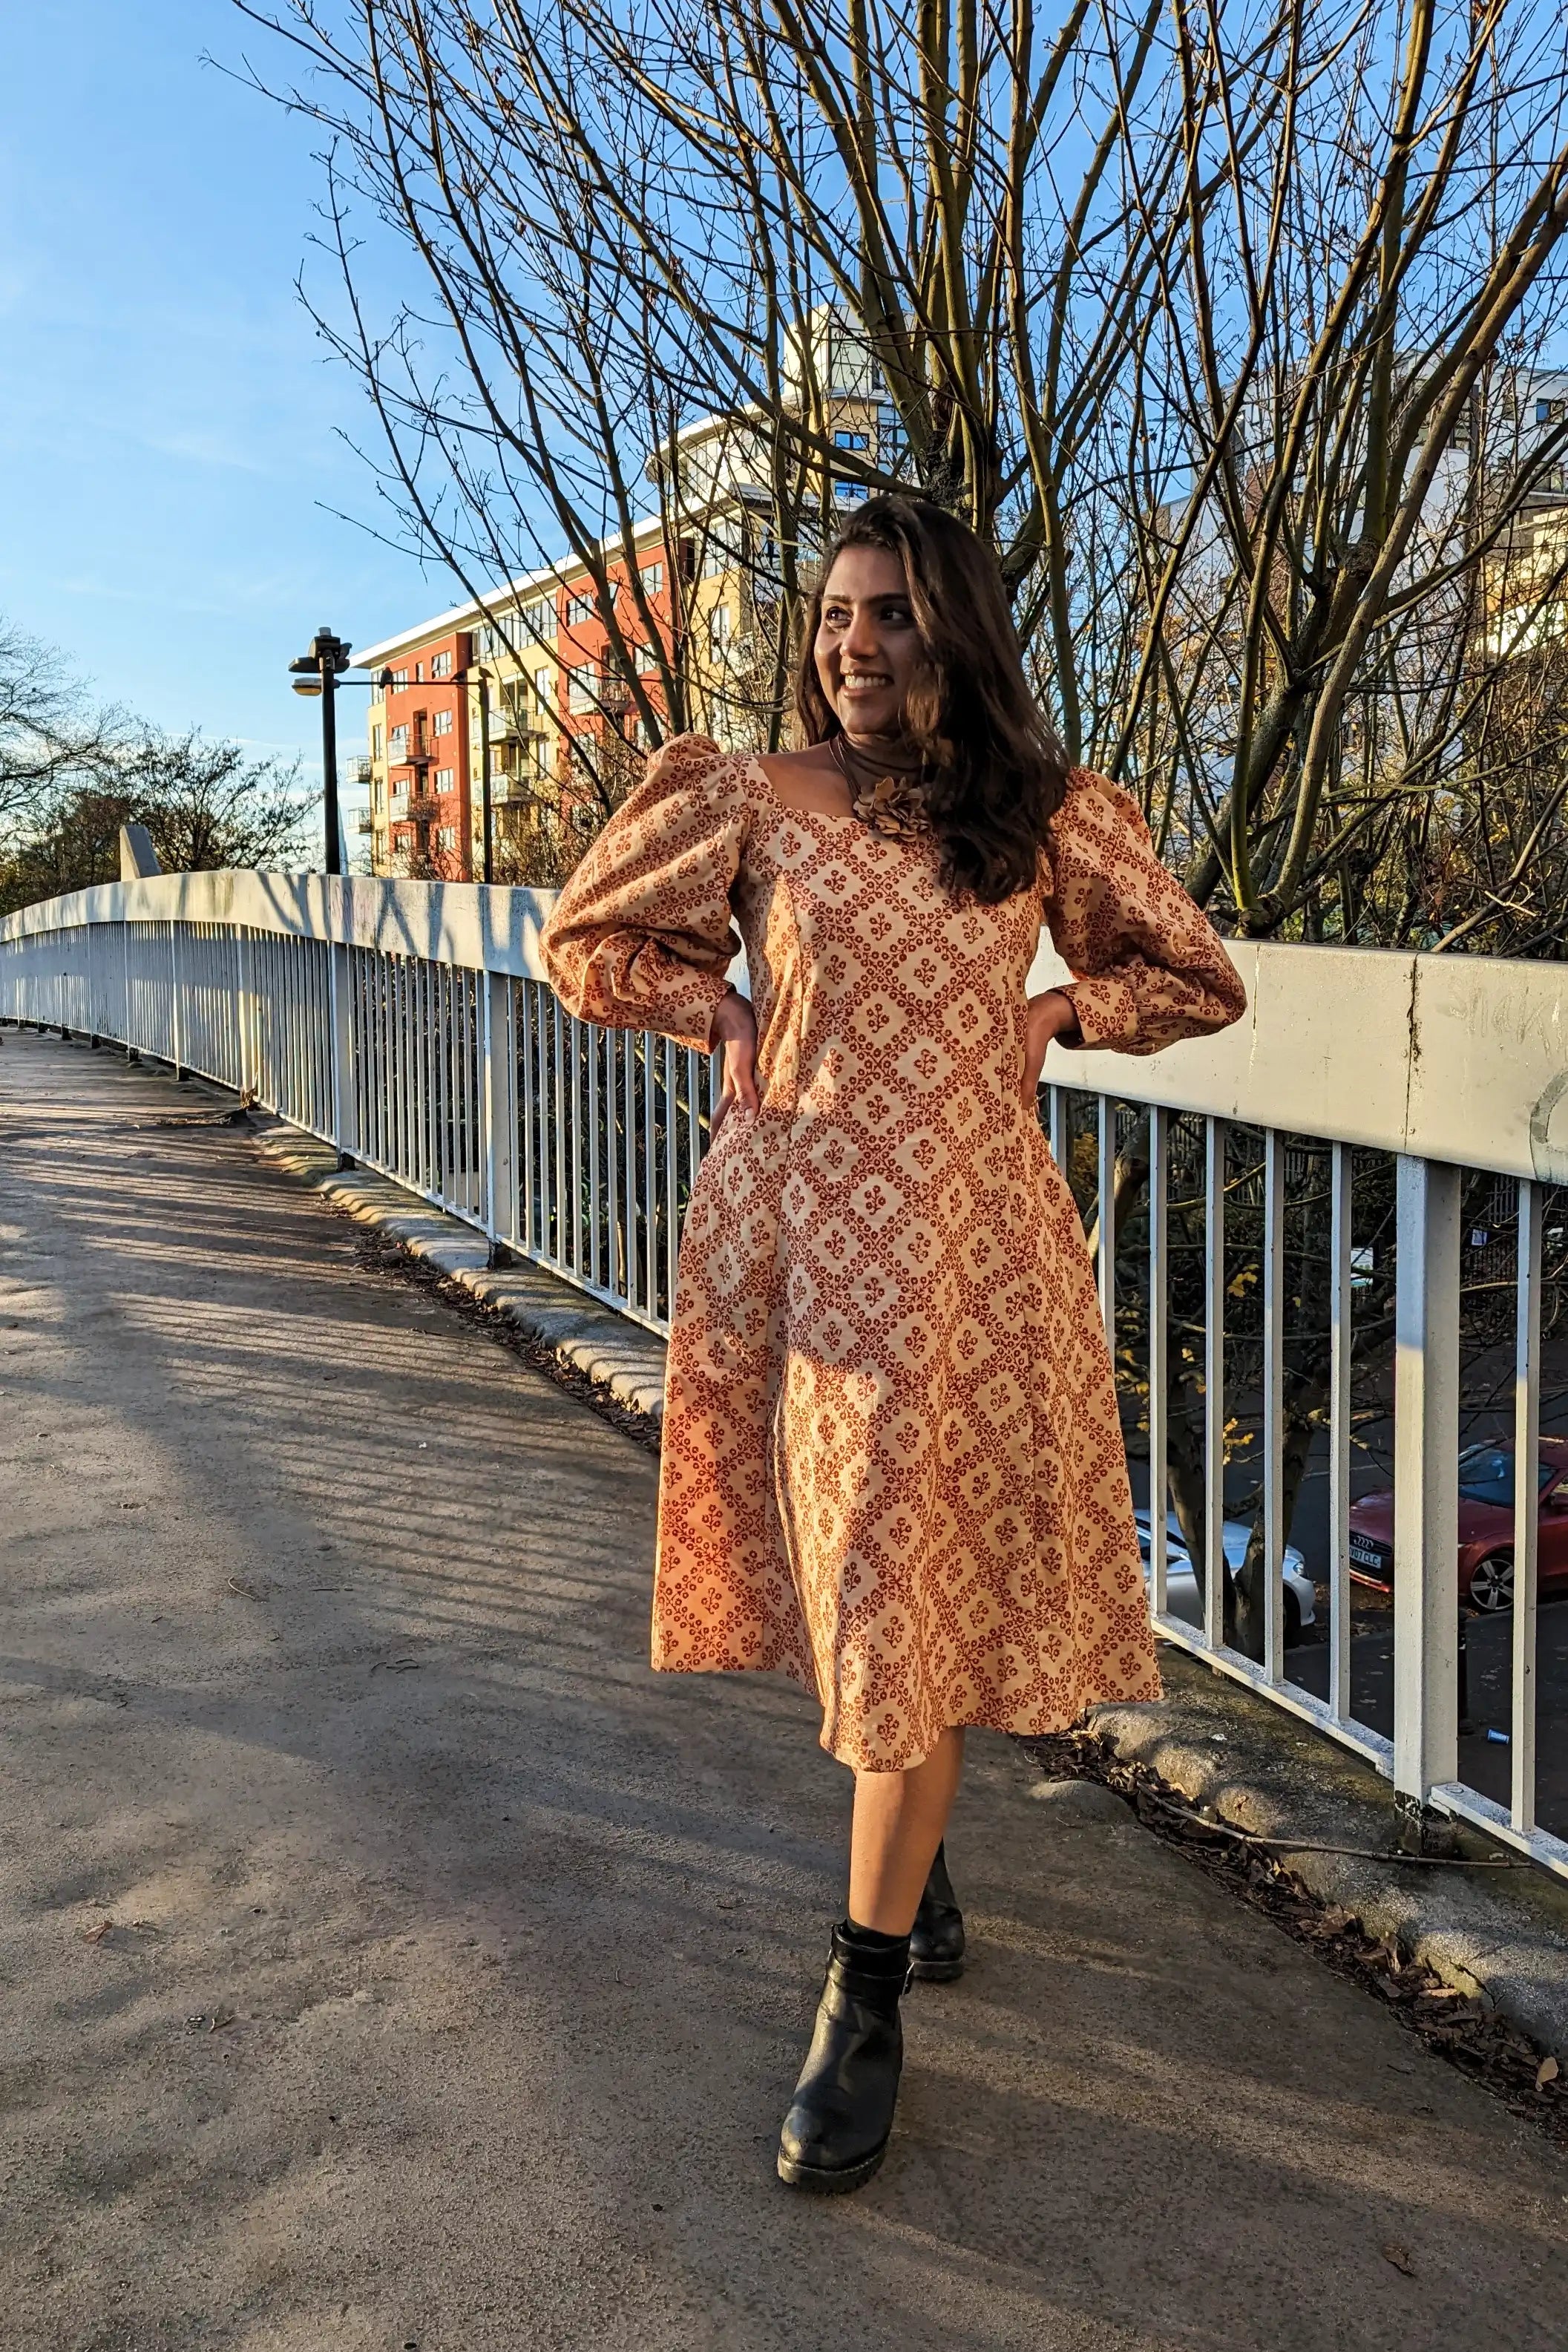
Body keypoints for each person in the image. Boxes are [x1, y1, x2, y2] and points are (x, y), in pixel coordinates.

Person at [540, 496, 1246, 2195]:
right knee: (845, 1568)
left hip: (970, 1252)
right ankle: (909, 1871)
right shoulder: (741, 791)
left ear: (958, 638)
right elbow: (585, 942)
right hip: (795, 1237)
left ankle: (861, 2002)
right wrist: (711, 1001)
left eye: (893, 619)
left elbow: (1195, 975)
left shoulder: (1045, 815)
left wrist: (1057, 1008)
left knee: (890, 1572)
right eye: (837, 616)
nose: (854, 646)